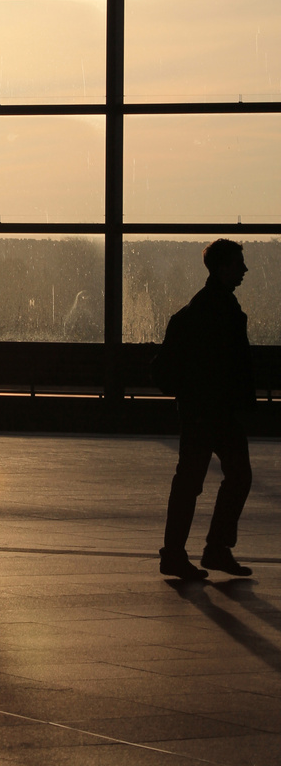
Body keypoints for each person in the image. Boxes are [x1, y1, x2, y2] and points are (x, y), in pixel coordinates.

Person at [158, 239, 256, 581]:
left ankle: (177, 553)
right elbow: (228, 365)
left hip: (202, 410)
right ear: (223, 267)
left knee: (190, 481)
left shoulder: (200, 308)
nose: (244, 270)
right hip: (214, 411)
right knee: (234, 476)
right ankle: (213, 548)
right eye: (239, 263)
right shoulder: (221, 310)